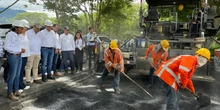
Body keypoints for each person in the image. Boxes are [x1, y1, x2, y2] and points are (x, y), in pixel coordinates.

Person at [4, 20, 25, 101]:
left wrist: (20, 50)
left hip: (19, 56)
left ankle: (16, 90)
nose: (22, 30)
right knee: (12, 75)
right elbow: (6, 47)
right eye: (21, 28)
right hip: (13, 57)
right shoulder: (10, 35)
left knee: (17, 74)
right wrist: (19, 49)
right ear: (16, 28)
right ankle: (9, 93)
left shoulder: (17, 35)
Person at [17, 19, 31, 93]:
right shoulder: (18, 35)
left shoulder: (26, 34)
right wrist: (20, 49)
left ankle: (21, 84)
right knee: (19, 71)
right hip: (20, 55)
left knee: (22, 70)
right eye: (25, 27)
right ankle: (18, 86)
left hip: (25, 55)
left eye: (26, 28)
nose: (26, 29)